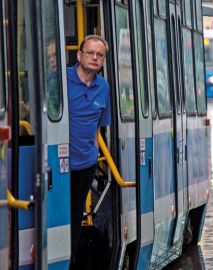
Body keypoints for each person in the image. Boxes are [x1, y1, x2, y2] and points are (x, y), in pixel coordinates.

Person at [67, 35, 111, 269]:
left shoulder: (103, 87)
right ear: (79, 55)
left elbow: (99, 125)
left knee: (75, 217)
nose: (95, 58)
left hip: (85, 165)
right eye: (90, 53)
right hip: (58, 163)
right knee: (58, 217)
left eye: (100, 55)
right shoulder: (63, 80)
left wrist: (93, 151)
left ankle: (71, 262)